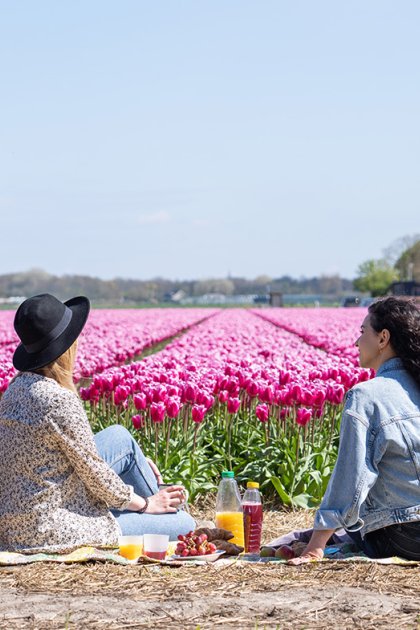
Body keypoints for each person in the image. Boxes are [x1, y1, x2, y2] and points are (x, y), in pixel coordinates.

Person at [0, 293, 195, 553]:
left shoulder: (15, 388)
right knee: (185, 525)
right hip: (47, 529)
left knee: (119, 437)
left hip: (14, 520)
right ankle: (162, 510)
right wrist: (147, 504)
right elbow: (94, 473)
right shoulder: (58, 400)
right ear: (66, 347)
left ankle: (155, 504)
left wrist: (137, 465)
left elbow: (83, 460)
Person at [290, 296, 420, 564]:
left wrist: (316, 545)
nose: (356, 342)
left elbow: (352, 476)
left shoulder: (367, 395)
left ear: (383, 338)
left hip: (403, 536)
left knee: (338, 531)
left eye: (362, 333)